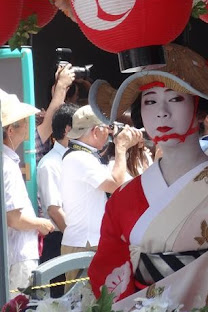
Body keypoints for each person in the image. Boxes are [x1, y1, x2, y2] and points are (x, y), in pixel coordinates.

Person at [87, 43, 208, 310]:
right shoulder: (124, 197)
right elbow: (106, 271)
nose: (161, 112)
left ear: (199, 107)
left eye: (176, 98)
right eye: (150, 101)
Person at [61, 105, 141, 288]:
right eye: (107, 128)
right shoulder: (80, 158)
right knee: (84, 303)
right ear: (96, 131)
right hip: (85, 244)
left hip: (86, 242)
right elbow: (116, 184)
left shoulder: (83, 156)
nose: (109, 133)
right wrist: (121, 147)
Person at [1, 89, 55, 296]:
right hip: (19, 255)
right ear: (10, 131)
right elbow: (14, 218)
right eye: (22, 121)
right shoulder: (6, 165)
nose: (27, 125)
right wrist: (41, 223)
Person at [37, 102, 78, 297]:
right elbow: (54, 209)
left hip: (74, 239)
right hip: (60, 240)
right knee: (59, 300)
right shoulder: (50, 164)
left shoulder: (79, 158)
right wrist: (74, 239)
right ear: (69, 129)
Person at [35, 64, 76, 162]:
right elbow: (49, 123)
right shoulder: (28, 144)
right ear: (10, 130)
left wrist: (60, 91)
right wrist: (61, 85)